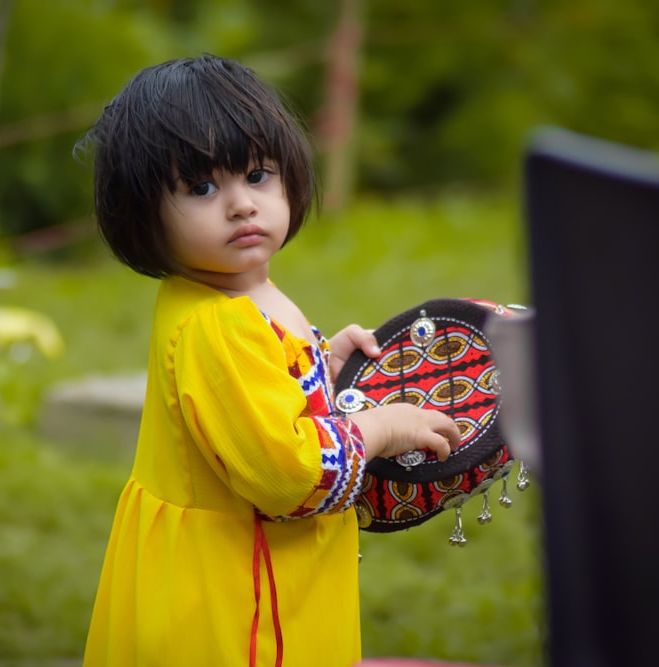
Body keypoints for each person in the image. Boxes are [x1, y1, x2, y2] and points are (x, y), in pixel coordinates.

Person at [76, 54, 460, 667]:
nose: (240, 205)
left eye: (256, 175)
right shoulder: (217, 322)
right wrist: (381, 427)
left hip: (230, 582)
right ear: (143, 215)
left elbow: (250, 401)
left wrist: (318, 366)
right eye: (201, 188)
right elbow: (289, 476)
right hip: (237, 606)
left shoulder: (229, 289)